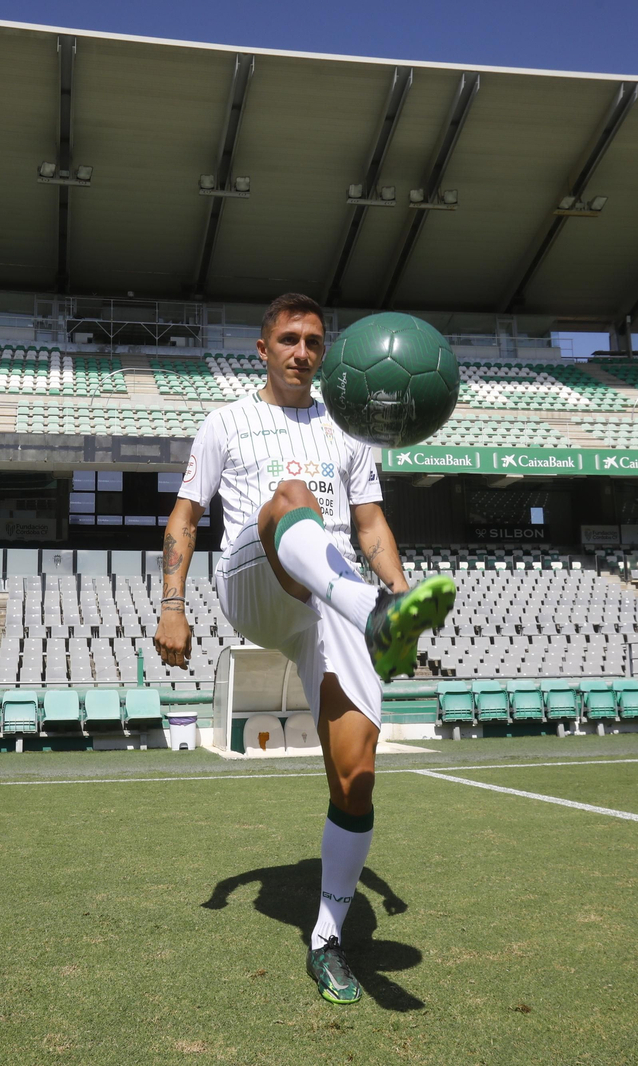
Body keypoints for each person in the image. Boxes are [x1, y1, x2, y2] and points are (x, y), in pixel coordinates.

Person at [156, 292, 456, 1005]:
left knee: (355, 777)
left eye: (315, 342)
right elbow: (186, 515)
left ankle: (327, 940)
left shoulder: (349, 428)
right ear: (262, 349)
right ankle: (372, 613)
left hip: (333, 596)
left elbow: (372, 523)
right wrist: (171, 604)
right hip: (254, 580)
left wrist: (402, 592)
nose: (302, 352)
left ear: (327, 354)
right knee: (290, 497)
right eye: (289, 339)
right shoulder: (227, 422)